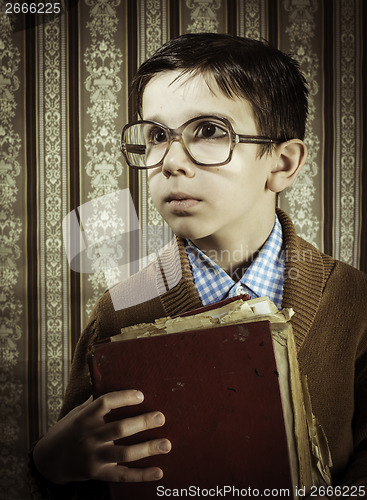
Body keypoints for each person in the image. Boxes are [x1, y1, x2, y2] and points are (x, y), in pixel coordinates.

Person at [29, 33, 367, 500]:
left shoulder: (355, 299)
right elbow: (90, 471)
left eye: (208, 131)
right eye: (157, 136)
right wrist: (50, 467)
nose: (169, 161)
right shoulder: (120, 310)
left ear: (282, 164)